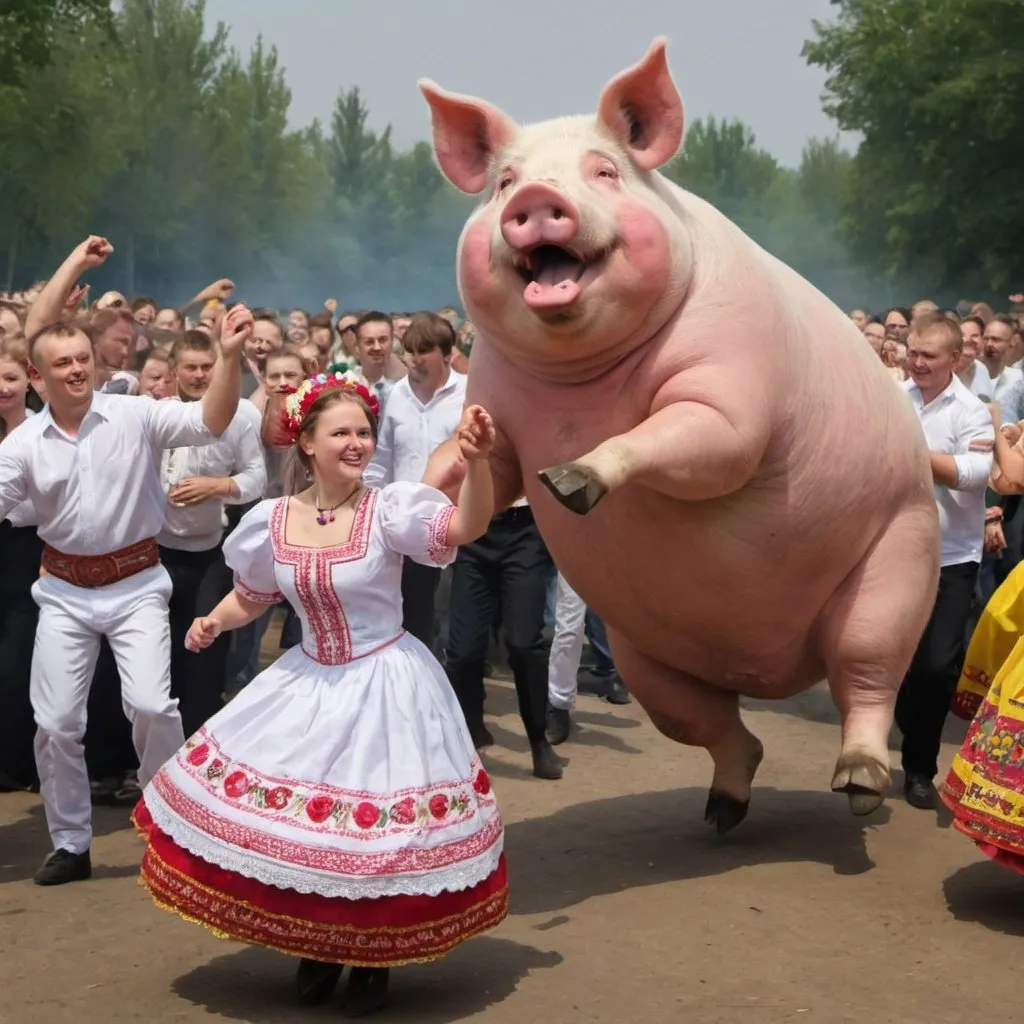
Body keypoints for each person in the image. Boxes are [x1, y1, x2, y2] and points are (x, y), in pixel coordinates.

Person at [132, 372, 507, 1017]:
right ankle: (320, 944)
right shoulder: (273, 520)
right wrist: (215, 620)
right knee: (308, 825)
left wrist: (476, 465)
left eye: (364, 432)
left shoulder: (389, 508)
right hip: (308, 679)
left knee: (379, 831)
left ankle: (372, 955)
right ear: (307, 443)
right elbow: (255, 593)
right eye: (341, 433)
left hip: (386, 681)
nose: (357, 443)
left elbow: (463, 530)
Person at [0, 235, 250, 885]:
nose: (78, 369)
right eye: (64, 364)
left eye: (84, 359)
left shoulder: (136, 413)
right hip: (62, 593)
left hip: (138, 583)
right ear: (38, 378)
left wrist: (227, 356)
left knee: (150, 705)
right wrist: (74, 266)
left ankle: (172, 826)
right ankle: (71, 842)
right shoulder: (24, 443)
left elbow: (212, 422)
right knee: (55, 722)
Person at [895, 312, 993, 809]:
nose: (917, 363)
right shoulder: (893, 398)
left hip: (953, 557)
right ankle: (907, 739)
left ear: (955, 359)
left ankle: (918, 767)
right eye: (912, 352)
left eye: (928, 356)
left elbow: (972, 475)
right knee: (897, 660)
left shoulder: (973, 411)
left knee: (937, 666)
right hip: (893, 550)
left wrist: (910, 446)